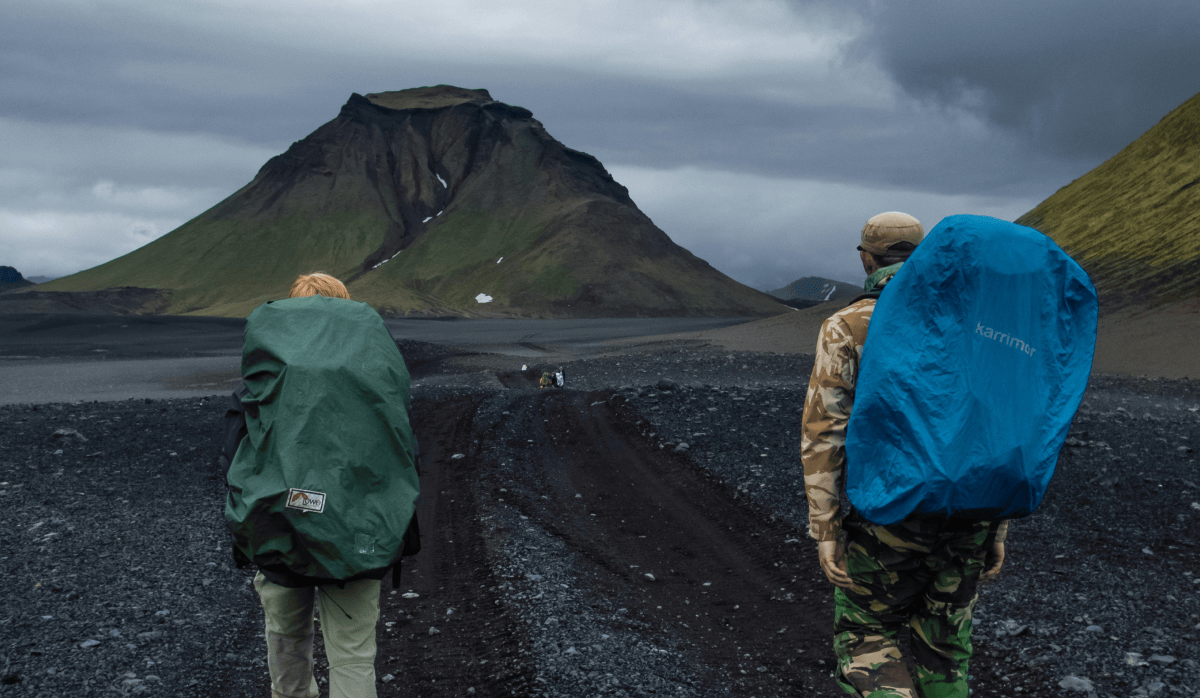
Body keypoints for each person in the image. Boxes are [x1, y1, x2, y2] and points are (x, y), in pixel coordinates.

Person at [800, 212, 1007, 698]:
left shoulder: (847, 326)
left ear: (866, 258)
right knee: (947, 650)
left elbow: (824, 432)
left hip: (890, 516)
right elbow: (995, 427)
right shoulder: (977, 324)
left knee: (867, 637)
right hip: (970, 514)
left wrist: (825, 530)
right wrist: (997, 526)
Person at [226, 272, 418, 698]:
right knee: (352, 655)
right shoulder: (379, 376)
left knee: (287, 643)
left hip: (278, 525)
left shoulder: (265, 380)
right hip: (358, 533)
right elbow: (402, 453)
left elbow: (234, 455)